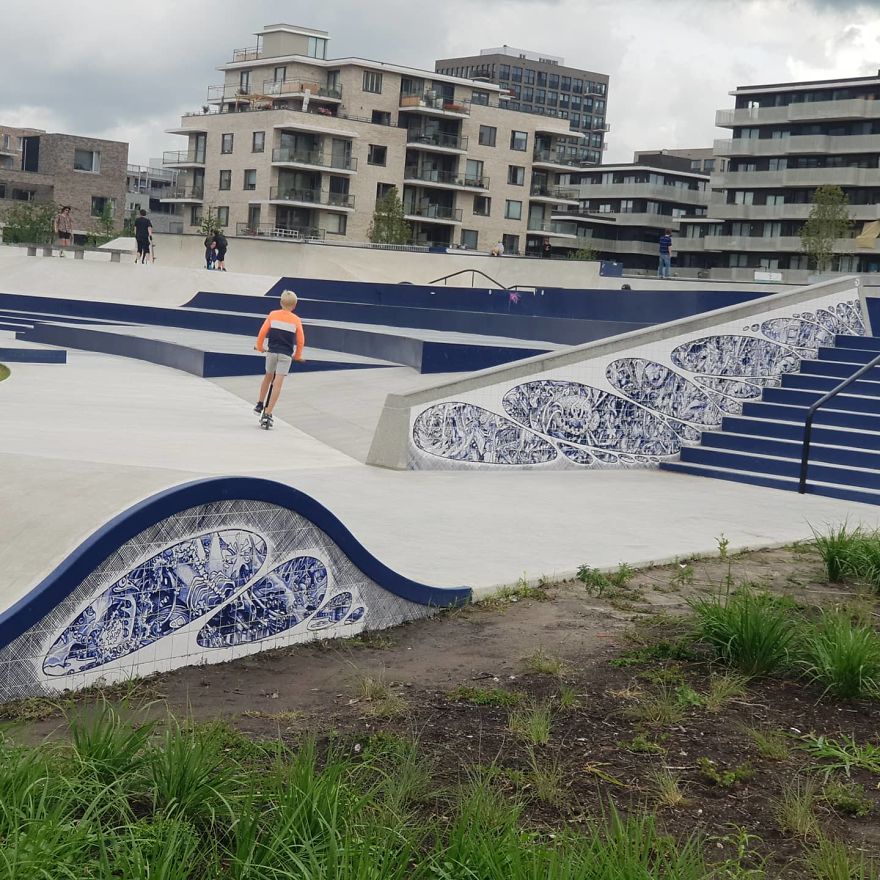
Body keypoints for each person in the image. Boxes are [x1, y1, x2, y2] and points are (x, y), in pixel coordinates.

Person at [253, 289, 305, 429]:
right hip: (285, 355)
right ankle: (269, 413)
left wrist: (259, 347)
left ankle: (259, 403)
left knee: (268, 376)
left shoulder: (273, 314)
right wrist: (298, 355)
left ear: (281, 302)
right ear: (294, 306)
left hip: (272, 352)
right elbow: (300, 340)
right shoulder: (296, 320)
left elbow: (262, 332)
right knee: (278, 383)